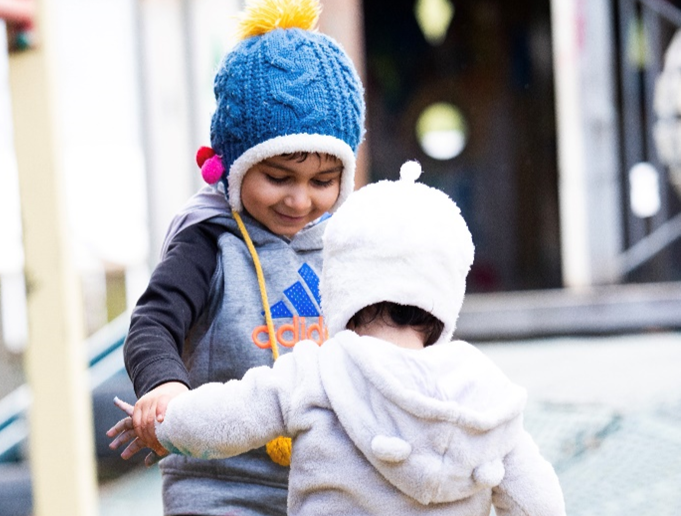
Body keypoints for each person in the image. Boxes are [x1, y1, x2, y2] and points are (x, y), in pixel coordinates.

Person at [143, 161, 567, 516]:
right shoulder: (485, 392)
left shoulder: (317, 370)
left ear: (342, 283)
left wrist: (165, 423)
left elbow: (231, 416)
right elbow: (539, 501)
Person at [107, 0, 365, 514]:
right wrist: (164, 385)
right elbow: (153, 323)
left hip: (331, 478)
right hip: (222, 485)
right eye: (278, 178)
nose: (299, 200)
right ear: (233, 166)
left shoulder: (351, 241)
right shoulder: (209, 241)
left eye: (322, 181)